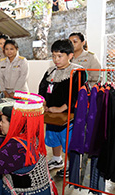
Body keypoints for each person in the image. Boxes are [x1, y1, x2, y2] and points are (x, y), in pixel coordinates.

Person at [38, 39, 86, 177]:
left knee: (68, 141)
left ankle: (72, 166)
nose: (56, 60)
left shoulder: (77, 71)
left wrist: (62, 108)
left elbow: (78, 95)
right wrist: (44, 103)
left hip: (69, 115)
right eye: (53, 56)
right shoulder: (50, 71)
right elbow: (42, 89)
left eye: (60, 56)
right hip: (52, 114)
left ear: (70, 55)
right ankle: (57, 160)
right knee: (53, 137)